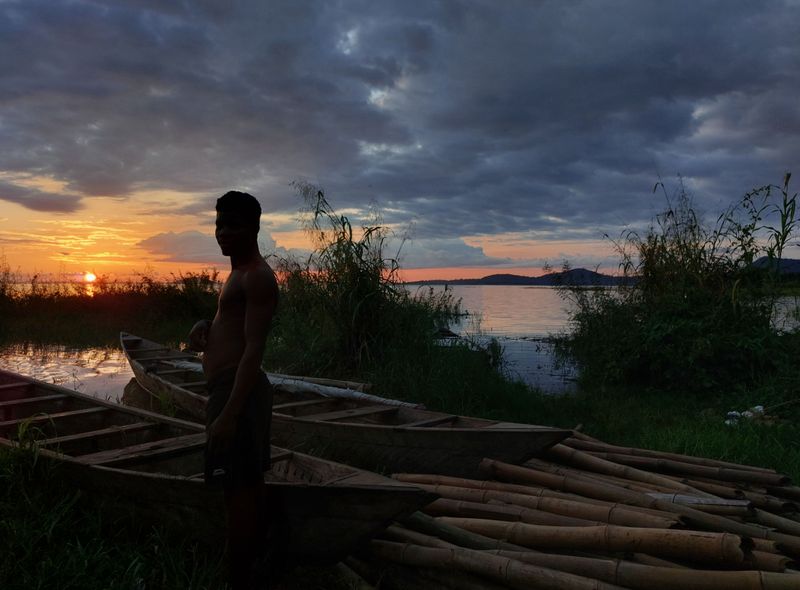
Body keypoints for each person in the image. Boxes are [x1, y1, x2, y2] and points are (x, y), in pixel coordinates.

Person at [188, 190, 280, 589]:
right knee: (248, 481)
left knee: (235, 489)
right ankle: (257, 562)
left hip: (236, 393)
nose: (223, 232)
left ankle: (236, 577)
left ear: (254, 228)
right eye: (219, 224)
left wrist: (228, 415)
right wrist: (205, 329)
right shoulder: (237, 273)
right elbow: (234, 330)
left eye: (233, 225)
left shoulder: (257, 276)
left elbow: (253, 352)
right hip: (229, 389)